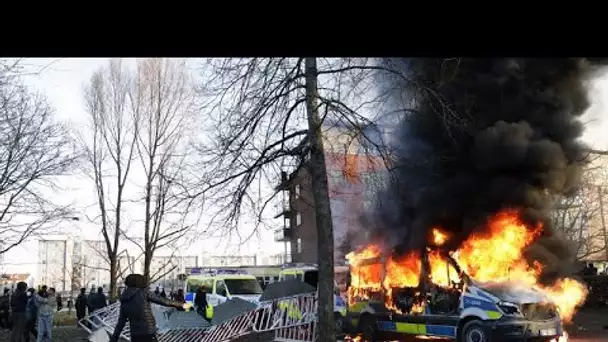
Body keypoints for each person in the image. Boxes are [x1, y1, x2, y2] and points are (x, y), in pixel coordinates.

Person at [109, 274, 190, 342]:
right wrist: (182, 305)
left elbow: (121, 323)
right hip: (148, 332)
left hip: (135, 335)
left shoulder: (124, 299)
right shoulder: (144, 292)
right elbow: (164, 301)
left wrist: (114, 339)